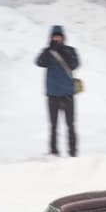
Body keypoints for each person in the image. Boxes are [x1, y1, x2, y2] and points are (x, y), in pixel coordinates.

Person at [35, 25, 80, 157]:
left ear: (63, 38)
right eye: (54, 36)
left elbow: (75, 64)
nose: (56, 39)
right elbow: (39, 62)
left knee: (70, 125)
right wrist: (49, 50)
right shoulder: (47, 51)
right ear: (50, 38)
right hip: (53, 94)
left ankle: (72, 152)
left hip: (67, 94)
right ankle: (54, 151)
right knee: (53, 126)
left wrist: (63, 52)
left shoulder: (70, 50)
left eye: (59, 36)